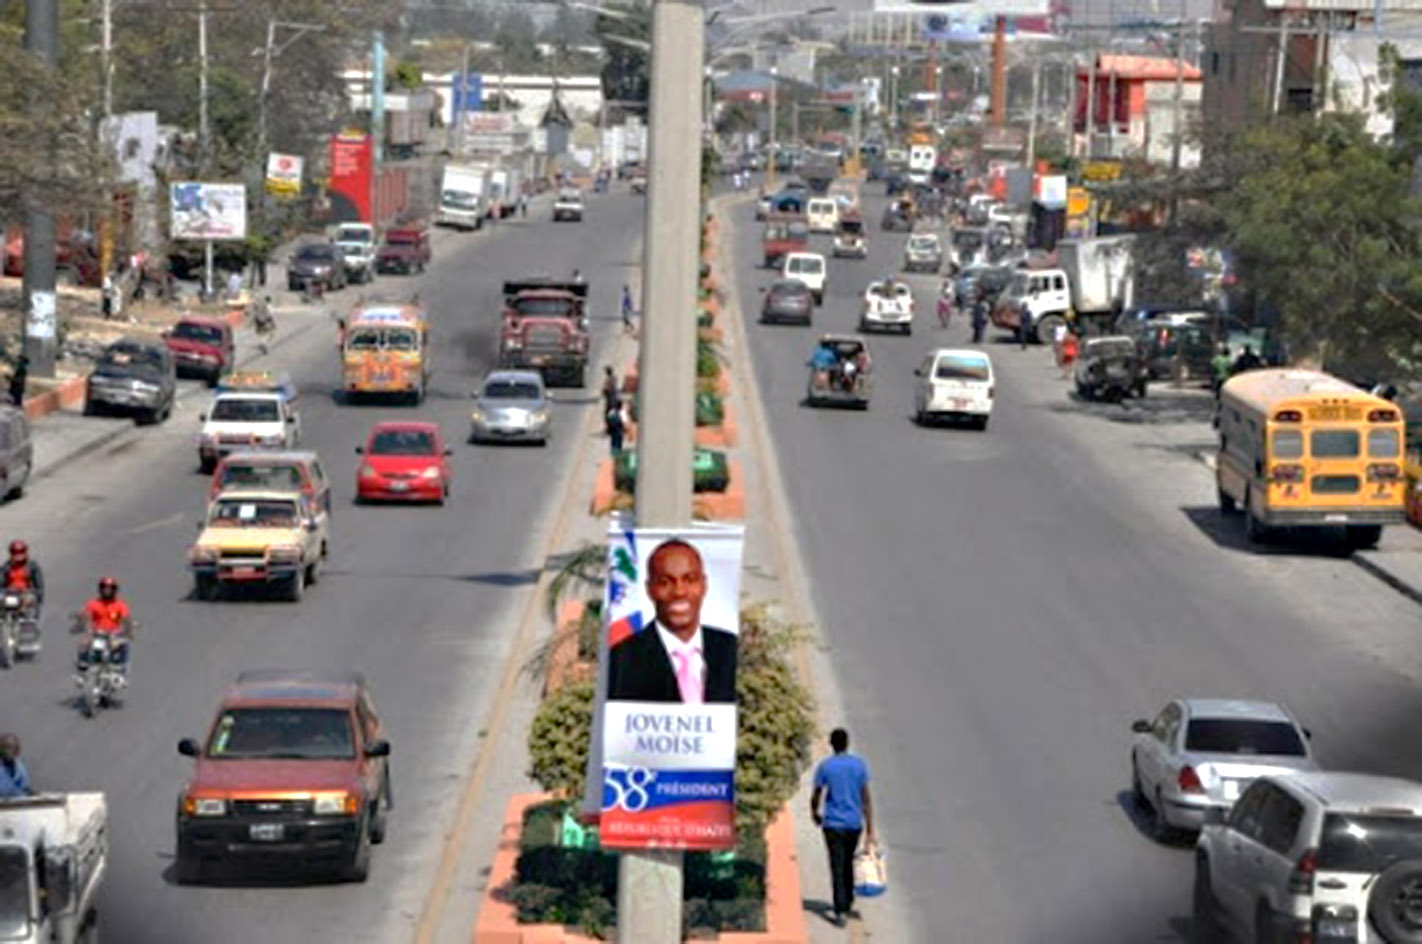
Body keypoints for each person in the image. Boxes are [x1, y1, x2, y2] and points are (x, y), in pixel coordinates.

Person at [606, 539, 737, 704]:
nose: (679, 592)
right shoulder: (622, 659)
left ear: (704, 585)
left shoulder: (732, 650)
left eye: (690, 580)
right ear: (649, 589)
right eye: (665, 582)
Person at [810, 728, 874, 928]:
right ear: (847, 743)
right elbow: (866, 798)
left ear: (831, 744)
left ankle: (840, 909)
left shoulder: (826, 767)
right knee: (847, 861)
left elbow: (817, 793)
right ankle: (847, 900)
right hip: (854, 824)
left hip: (833, 824)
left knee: (837, 865)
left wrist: (814, 812)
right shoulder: (859, 766)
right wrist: (870, 828)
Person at [76, 576, 134, 673]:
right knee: (84, 643)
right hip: (97, 633)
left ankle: (121, 666)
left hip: (113, 634)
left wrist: (128, 630)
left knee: (124, 645)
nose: (107, 591)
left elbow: (126, 619)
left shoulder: (120, 605)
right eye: (105, 588)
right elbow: (85, 615)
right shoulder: (93, 604)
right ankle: (83, 667)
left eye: (110, 589)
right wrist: (82, 624)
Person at [3, 541, 44, 616]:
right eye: (15, 553)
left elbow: (39, 587)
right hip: (11, 595)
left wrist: (35, 595)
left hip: (26, 594)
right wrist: (7, 591)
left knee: (29, 600)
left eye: (21, 552)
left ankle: (26, 618)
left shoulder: (33, 566)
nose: (18, 555)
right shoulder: (5, 567)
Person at [601, 366, 621, 433]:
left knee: (607, 415)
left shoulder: (608, 381)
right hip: (615, 399)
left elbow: (606, 390)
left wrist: (604, 393)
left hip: (610, 400)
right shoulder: (614, 378)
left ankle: (610, 429)